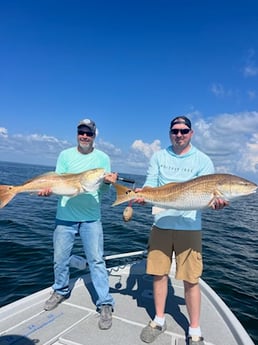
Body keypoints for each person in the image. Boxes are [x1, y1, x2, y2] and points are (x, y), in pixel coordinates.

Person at [136, 116, 228, 345]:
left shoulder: (203, 161)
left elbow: (206, 200)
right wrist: (141, 195)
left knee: (191, 279)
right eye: (175, 131)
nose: (179, 135)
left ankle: (194, 329)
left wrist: (217, 205)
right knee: (159, 274)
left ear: (191, 133)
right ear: (170, 133)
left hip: (190, 228)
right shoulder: (158, 156)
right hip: (161, 224)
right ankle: (159, 319)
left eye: (184, 131)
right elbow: (151, 185)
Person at [39, 118, 117, 330]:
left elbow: (102, 191)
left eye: (88, 133)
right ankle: (60, 290)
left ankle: (105, 303)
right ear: (77, 133)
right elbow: (57, 182)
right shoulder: (65, 155)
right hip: (65, 216)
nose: (84, 136)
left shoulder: (103, 159)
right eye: (81, 132)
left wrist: (107, 184)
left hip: (91, 217)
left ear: (94, 136)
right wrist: (48, 190)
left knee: (97, 260)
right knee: (60, 258)